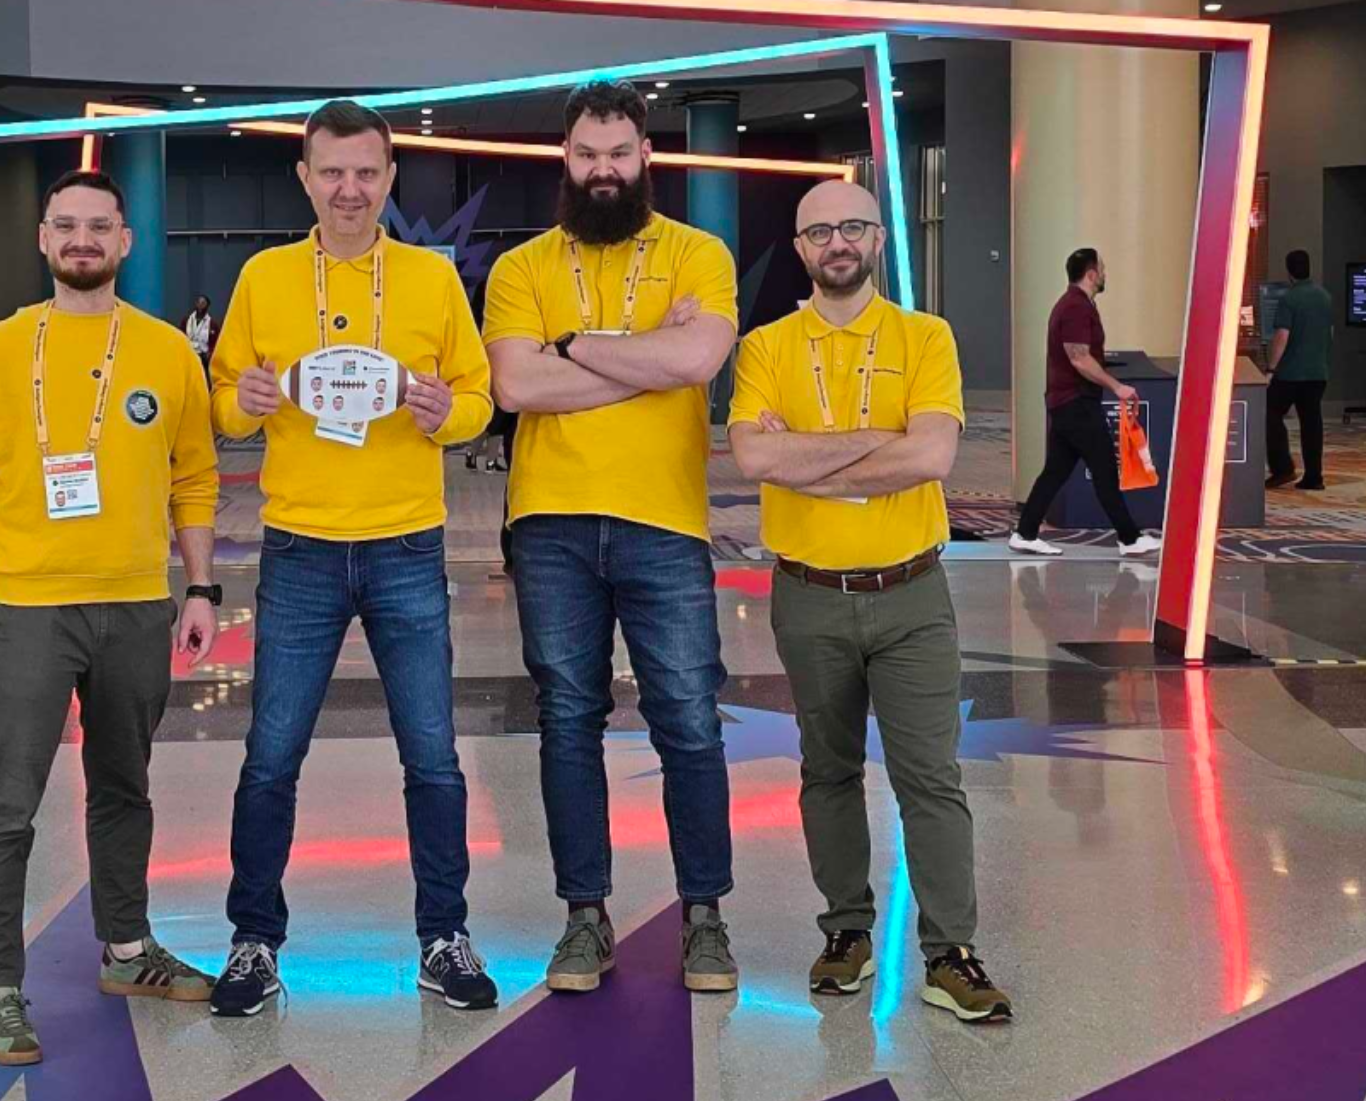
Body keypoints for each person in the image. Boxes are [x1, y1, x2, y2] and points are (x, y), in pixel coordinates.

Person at [0, 168, 222, 1068]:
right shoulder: (2, 349)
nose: (83, 239)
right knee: (6, 806)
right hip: (32, 608)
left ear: (125, 242)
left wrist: (198, 589)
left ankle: (128, 952)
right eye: (66, 225)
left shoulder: (166, 352)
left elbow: (193, 477)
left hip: (133, 604)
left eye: (100, 226)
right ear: (44, 241)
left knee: (126, 788)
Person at [207, 100, 498, 1016]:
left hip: (407, 542)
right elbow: (222, 402)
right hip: (298, 549)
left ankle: (443, 938)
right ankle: (254, 943)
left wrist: (441, 414)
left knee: (435, 758)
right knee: (270, 756)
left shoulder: (428, 279)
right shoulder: (264, 277)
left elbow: (481, 399)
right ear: (304, 176)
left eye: (366, 172)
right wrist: (245, 398)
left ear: (389, 177)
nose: (349, 188)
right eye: (331, 171)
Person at [728, 181, 1011, 1023]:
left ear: (879, 238)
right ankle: (845, 930)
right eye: (820, 232)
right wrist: (878, 446)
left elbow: (932, 456)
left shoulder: (926, 337)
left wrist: (808, 456)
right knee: (829, 771)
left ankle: (950, 952)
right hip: (808, 595)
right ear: (801, 246)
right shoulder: (767, 347)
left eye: (852, 226)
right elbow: (754, 461)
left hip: (912, 593)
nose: (837, 243)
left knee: (931, 777)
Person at [483, 78, 740, 995]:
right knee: (567, 721)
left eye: (618, 153)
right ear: (566, 159)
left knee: (688, 720)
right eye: (586, 155)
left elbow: (699, 361)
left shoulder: (699, 255)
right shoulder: (521, 269)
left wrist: (571, 347)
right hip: (549, 524)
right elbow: (515, 391)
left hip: (665, 522)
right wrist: (638, 357)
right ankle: (584, 918)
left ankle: (704, 914)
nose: (602, 170)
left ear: (645, 157)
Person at [1008, 248, 1162, 558]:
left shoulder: (1075, 305)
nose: (1105, 274)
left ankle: (1025, 533)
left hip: (1067, 401)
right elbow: (1079, 358)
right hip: (1076, 402)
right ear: (1091, 274)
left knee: (1055, 471)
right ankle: (1129, 538)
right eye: (1102, 269)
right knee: (1104, 469)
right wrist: (1117, 386)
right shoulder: (1076, 308)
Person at [1266, 249, 1333, 490]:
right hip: (1317, 372)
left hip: (1290, 373)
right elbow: (1329, 333)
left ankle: (1282, 467)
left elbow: (1282, 336)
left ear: (1289, 272)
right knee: (1311, 423)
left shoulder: (1289, 299)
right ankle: (1314, 477)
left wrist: (1271, 368)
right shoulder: (1324, 297)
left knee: (1269, 414)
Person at [185, 294, 216, 367]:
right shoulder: (187, 320)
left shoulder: (212, 323)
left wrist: (210, 353)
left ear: (207, 306)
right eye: (199, 303)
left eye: (203, 303)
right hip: (189, 354)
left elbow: (215, 341)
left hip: (203, 356)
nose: (200, 305)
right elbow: (181, 336)